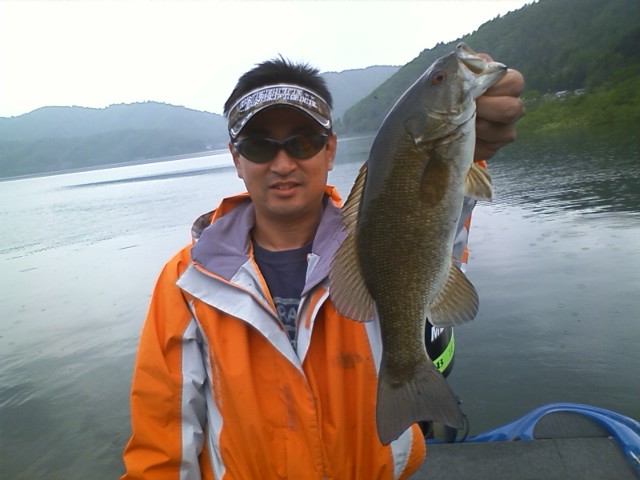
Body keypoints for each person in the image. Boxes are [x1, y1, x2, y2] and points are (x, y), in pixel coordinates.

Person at [120, 54, 525, 479]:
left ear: (329, 150)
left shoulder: (374, 240)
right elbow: (162, 441)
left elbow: (437, 223)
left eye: (303, 142)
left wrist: (471, 151)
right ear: (236, 159)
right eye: (258, 145)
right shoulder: (186, 282)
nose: (283, 164)